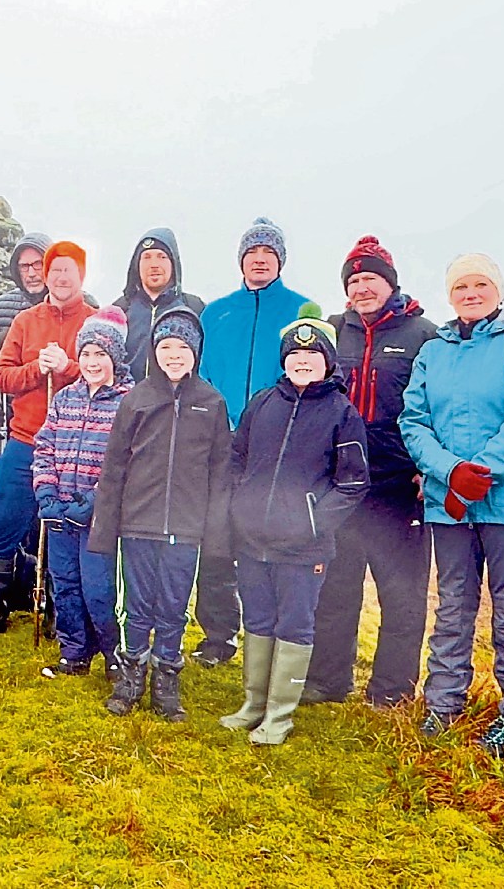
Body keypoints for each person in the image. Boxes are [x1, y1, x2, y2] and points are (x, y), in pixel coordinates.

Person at [400, 254, 504, 756]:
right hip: (449, 504)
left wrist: (480, 473)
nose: (471, 293)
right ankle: (443, 705)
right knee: (452, 605)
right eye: (461, 286)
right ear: (450, 295)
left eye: (481, 284)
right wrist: (450, 473)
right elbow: (413, 421)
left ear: (498, 290)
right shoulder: (433, 352)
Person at [220, 304, 369, 746]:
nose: (303, 361)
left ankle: (279, 716)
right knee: (259, 618)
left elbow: (353, 482)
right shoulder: (262, 403)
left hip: (304, 548)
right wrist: (238, 507)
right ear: (284, 360)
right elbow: (236, 460)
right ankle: (253, 705)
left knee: (295, 625)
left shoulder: (343, 414)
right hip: (253, 541)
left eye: (313, 355)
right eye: (294, 355)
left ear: (327, 362)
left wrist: (312, 522)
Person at [303, 237, 437, 707]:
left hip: (399, 485)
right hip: (342, 483)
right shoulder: (333, 330)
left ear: (390, 283)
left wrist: (427, 469)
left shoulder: (423, 334)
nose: (361, 287)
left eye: (370, 278)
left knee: (401, 593)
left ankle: (392, 691)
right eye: (354, 280)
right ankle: (327, 680)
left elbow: (437, 407)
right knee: (335, 588)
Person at [90, 307, 231, 721]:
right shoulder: (137, 399)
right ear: (154, 350)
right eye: (166, 346)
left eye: (183, 347)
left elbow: (221, 472)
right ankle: (130, 675)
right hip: (138, 524)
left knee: (173, 606)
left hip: (186, 529)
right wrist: (106, 529)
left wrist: (216, 533)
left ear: (196, 352)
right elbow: (114, 468)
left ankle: (167, 680)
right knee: (137, 604)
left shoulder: (212, 402)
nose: (174, 354)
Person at [191, 217, 310, 670]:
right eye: (252, 252)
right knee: (216, 538)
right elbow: (200, 374)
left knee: (272, 540)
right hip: (220, 440)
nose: (260, 260)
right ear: (241, 258)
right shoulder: (215, 312)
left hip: (279, 443)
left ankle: (275, 636)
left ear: (280, 259)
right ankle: (218, 636)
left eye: (268, 252)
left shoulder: (303, 309)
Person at [0, 241, 96, 633]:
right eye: (55, 270)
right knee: (4, 516)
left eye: (69, 271)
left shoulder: (95, 322)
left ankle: (61, 612)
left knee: (67, 528)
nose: (62, 278)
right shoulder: (26, 321)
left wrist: (69, 367)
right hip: (26, 439)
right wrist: (35, 369)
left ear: (81, 276)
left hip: (75, 447)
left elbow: (109, 377)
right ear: (45, 276)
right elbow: (2, 376)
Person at [32, 306, 133, 681]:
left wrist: (93, 502)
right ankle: (74, 651)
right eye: (86, 354)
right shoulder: (65, 399)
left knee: (98, 589)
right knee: (66, 584)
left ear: (115, 358)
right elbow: (44, 447)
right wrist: (47, 494)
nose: (92, 362)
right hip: (60, 514)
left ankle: (113, 653)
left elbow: (125, 462)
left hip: (98, 518)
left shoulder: (127, 402)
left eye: (101, 355)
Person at [112, 227, 205, 384]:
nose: (154, 264)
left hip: (178, 403)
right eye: (146, 257)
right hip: (128, 402)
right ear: (136, 265)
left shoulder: (193, 308)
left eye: (162, 257)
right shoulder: (119, 310)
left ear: (173, 263)